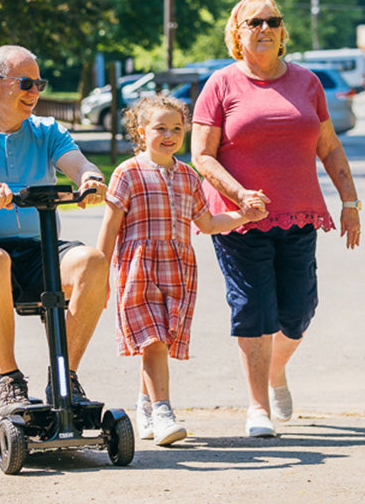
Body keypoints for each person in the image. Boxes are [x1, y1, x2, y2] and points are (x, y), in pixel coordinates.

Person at [191, 0, 361, 438]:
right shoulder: (221, 85)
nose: (264, 28)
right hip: (238, 221)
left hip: (300, 214)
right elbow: (202, 157)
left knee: (299, 310)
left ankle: (275, 371)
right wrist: (239, 194)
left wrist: (350, 202)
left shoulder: (307, 83)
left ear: (283, 31)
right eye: (254, 22)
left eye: (273, 21)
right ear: (237, 33)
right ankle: (257, 408)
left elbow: (329, 147)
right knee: (253, 310)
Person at [0, 44, 108, 418]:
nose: (35, 93)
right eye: (27, 83)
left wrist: (90, 178)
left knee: (91, 261)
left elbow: (79, 165)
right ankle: (9, 379)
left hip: (37, 251)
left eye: (39, 84)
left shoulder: (46, 131)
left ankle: (65, 378)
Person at [97, 95, 267, 446]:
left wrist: (244, 215)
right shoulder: (126, 173)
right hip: (138, 270)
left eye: (177, 128)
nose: (170, 135)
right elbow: (109, 228)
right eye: (160, 128)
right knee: (153, 341)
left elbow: (207, 221)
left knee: (157, 342)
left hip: (178, 271)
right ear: (141, 132)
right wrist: (99, 278)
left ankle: (144, 408)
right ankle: (163, 413)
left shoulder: (189, 176)